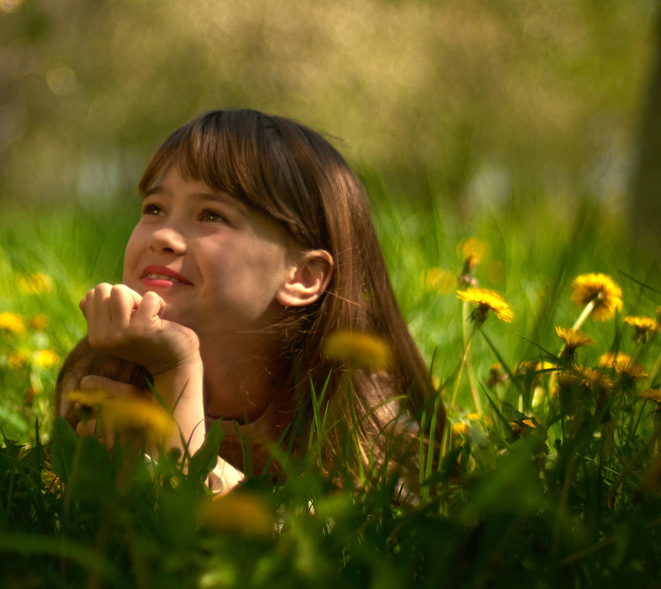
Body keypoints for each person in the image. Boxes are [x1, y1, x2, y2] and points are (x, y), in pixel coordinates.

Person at [55, 109, 440, 496]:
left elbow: (338, 546)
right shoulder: (106, 369)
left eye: (211, 215)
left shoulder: (361, 412)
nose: (164, 236)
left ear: (302, 276)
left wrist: (176, 375)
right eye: (155, 208)